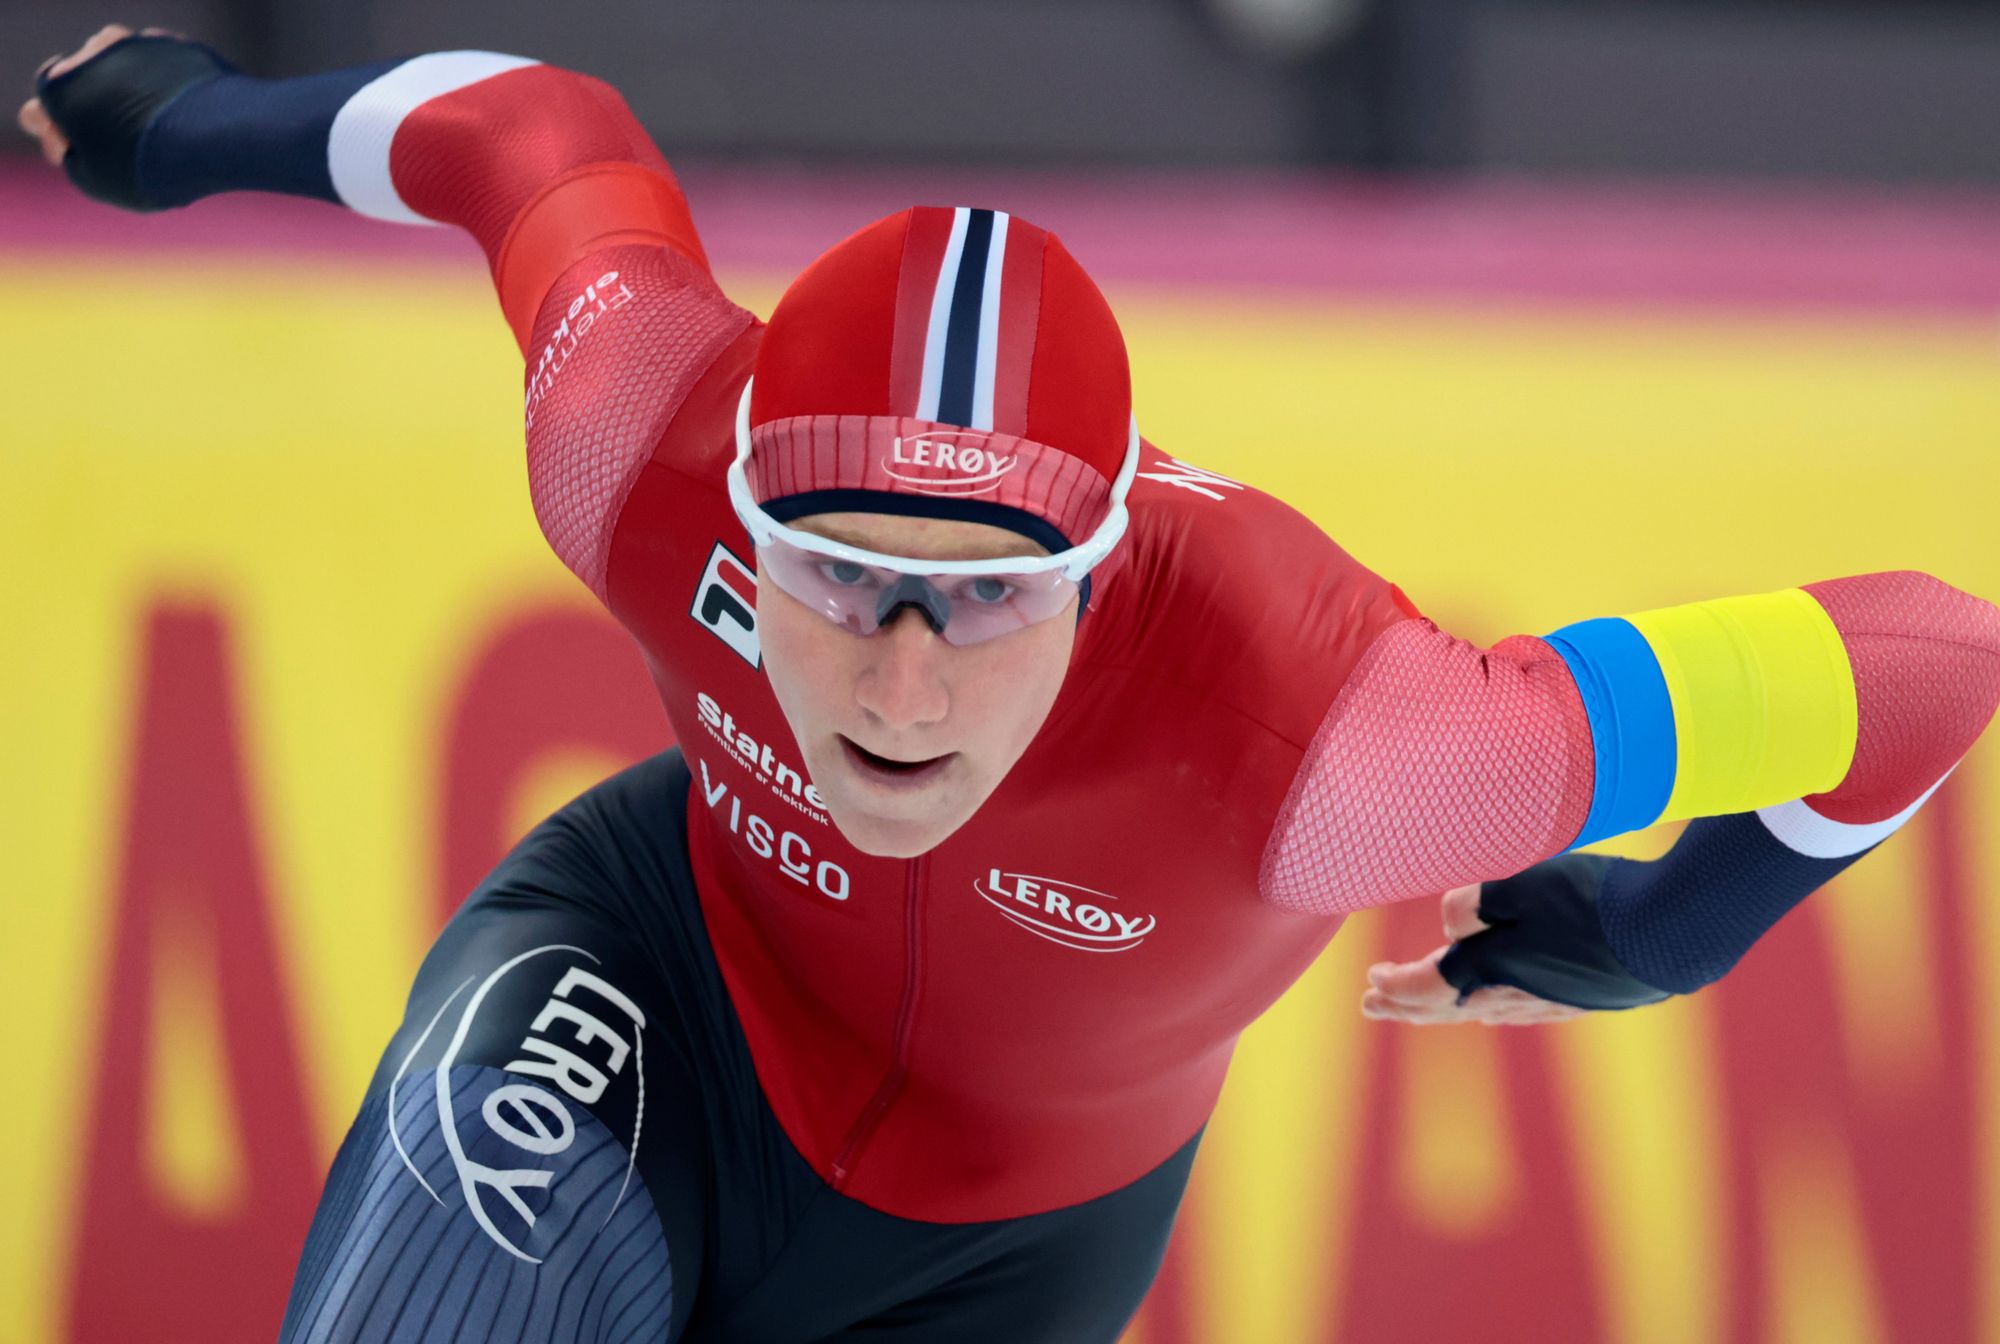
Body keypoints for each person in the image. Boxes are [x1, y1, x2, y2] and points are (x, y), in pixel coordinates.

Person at [22, 25, 2000, 1342]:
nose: (895, 681)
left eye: (982, 604)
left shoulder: (1347, 739)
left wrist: (1679, 920)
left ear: (1105, 553)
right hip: (649, 993)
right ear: (746, 518)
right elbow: (527, 135)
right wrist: (182, 126)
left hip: (1001, 1258)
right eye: (838, 581)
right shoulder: (638, 444)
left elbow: (1929, 656)